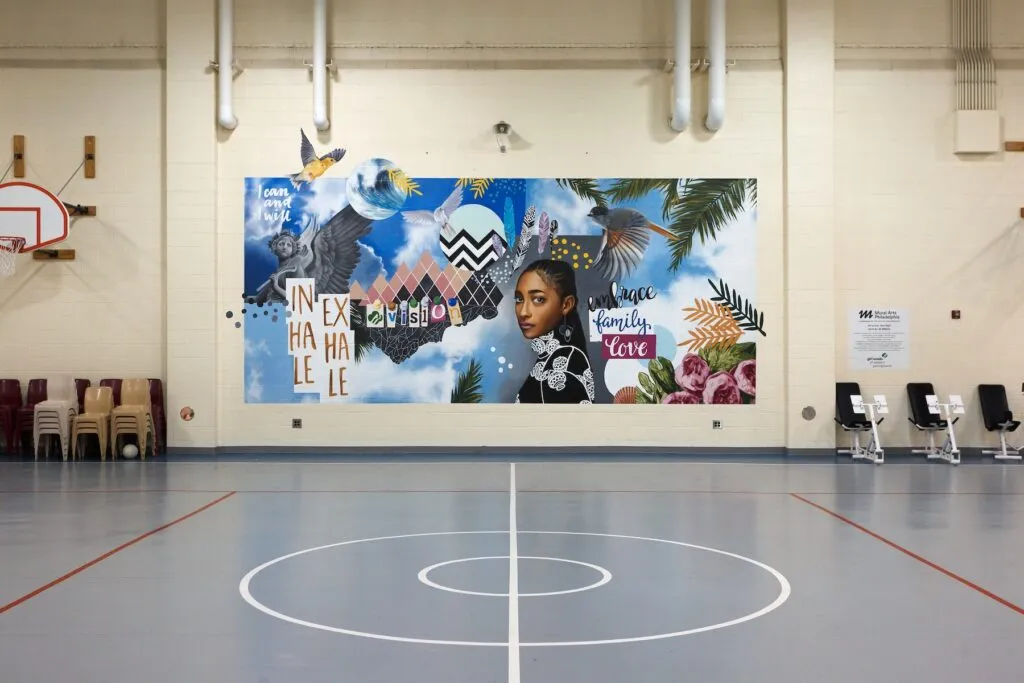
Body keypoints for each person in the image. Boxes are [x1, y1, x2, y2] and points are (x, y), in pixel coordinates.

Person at [513, 259, 595, 404]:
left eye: (538, 299)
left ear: (566, 304)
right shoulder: (555, 357)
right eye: (519, 299)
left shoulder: (562, 368)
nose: (523, 312)